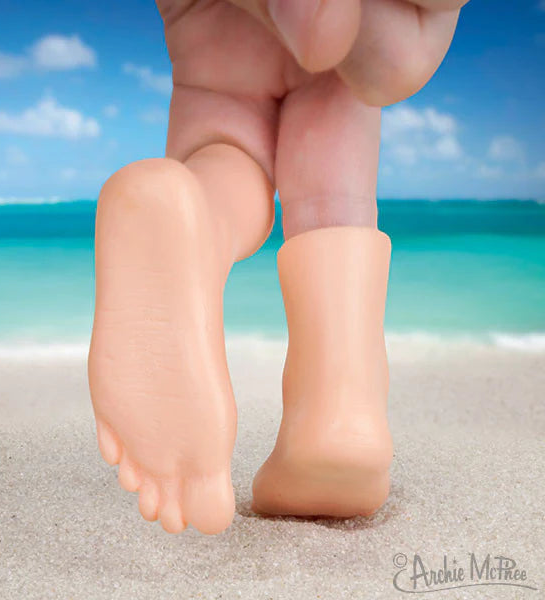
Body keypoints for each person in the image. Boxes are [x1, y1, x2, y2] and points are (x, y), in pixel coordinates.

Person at [88, 0, 468, 535]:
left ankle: (198, 216)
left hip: (209, 27)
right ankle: (338, 412)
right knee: (332, 197)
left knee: (222, 151)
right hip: (345, 49)